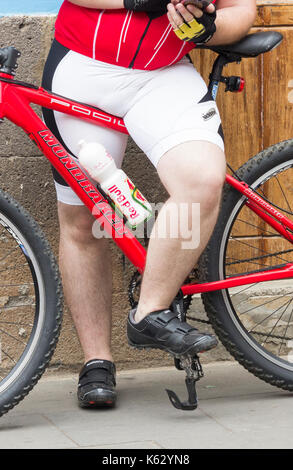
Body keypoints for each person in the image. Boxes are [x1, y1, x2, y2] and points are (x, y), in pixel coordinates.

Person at [42, 0, 256, 408]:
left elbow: (242, 8)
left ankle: (150, 311)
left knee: (201, 180)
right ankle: (96, 362)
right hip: (82, 66)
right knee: (84, 220)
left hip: (164, 73)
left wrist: (207, 28)